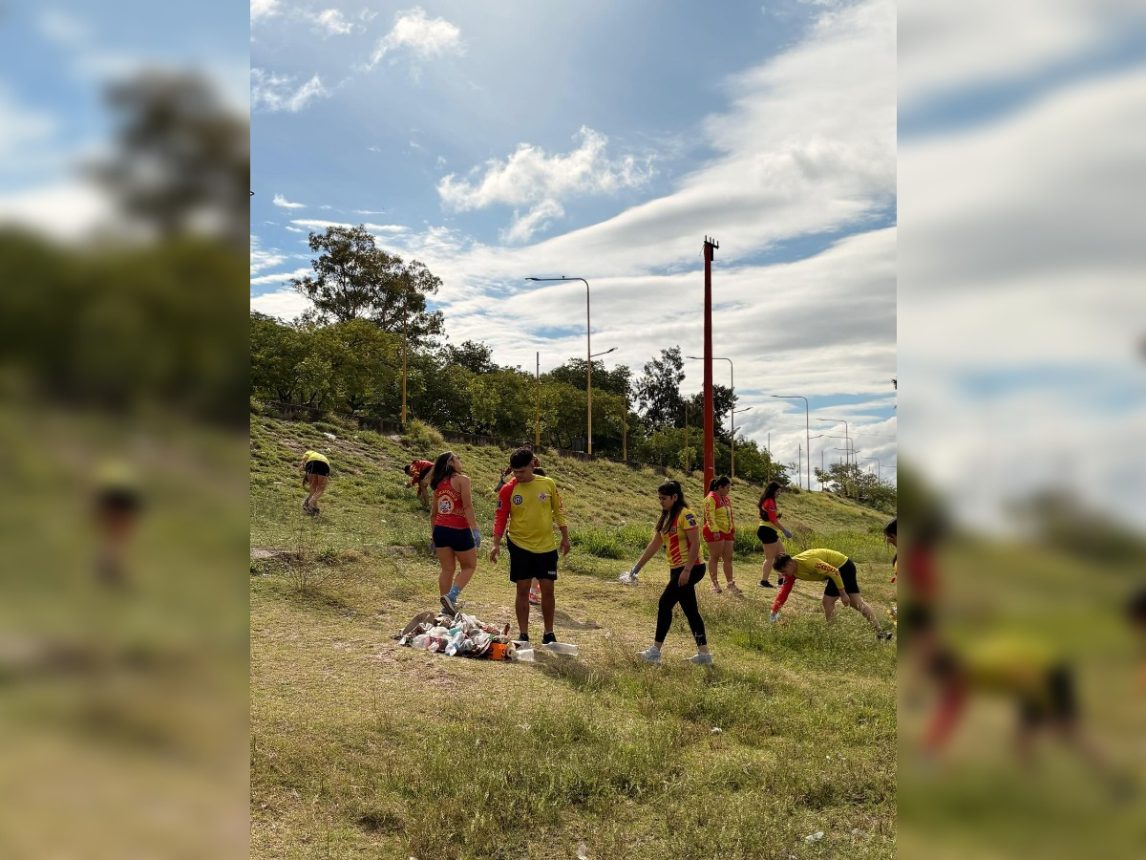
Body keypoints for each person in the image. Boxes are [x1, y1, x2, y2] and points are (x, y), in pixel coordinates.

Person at [624, 480, 714, 666]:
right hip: (677, 570)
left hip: (691, 567)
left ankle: (655, 652)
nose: (661, 501)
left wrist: (687, 570)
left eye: (664, 498)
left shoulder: (685, 514)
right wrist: (635, 569)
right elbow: (654, 545)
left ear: (675, 497)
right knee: (691, 611)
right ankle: (704, 654)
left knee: (664, 603)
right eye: (659, 498)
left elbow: (695, 543)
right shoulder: (666, 518)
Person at [489, 447, 570, 646]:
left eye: (522, 471)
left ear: (532, 465)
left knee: (548, 589)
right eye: (515, 472)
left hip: (546, 546)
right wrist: (496, 544)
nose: (518, 476)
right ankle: (523, 634)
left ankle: (548, 633)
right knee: (522, 589)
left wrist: (565, 537)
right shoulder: (508, 488)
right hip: (519, 544)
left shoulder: (548, 484)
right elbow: (501, 516)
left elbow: (558, 511)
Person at [771, 548, 893, 640]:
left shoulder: (808, 562)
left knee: (827, 602)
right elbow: (784, 591)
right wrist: (774, 611)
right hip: (840, 570)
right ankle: (880, 633)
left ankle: (833, 635)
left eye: (783, 571)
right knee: (857, 603)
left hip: (842, 567)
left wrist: (843, 594)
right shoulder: (791, 573)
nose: (783, 574)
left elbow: (834, 572)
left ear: (790, 563)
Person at [428, 451, 480, 616]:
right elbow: (467, 507)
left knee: (447, 569)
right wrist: (475, 530)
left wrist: (433, 535)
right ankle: (452, 596)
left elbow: (433, 514)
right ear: (451, 462)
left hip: (440, 530)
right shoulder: (463, 480)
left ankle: (445, 608)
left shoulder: (438, 484)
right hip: (459, 530)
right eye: (457, 458)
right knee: (469, 566)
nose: (460, 461)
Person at [92, 459, 143, 588]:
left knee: (112, 538)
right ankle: (108, 569)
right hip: (122, 498)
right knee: (117, 539)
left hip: (115, 497)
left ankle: (106, 568)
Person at [702, 476, 741, 595]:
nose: (729, 490)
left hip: (727, 531)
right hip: (715, 531)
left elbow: (730, 515)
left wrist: (732, 528)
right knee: (715, 557)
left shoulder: (726, 499)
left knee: (728, 558)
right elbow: (709, 516)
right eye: (728, 487)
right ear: (720, 487)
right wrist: (715, 531)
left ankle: (730, 584)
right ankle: (715, 584)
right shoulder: (710, 498)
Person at [757, 481, 792, 588]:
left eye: (780, 491)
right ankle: (764, 581)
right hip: (766, 531)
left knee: (781, 554)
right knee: (770, 558)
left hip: (769, 531)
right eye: (778, 491)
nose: (779, 493)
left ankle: (781, 579)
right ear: (772, 491)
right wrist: (785, 530)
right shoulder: (770, 502)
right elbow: (773, 520)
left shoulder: (770, 500)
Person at [299, 450, 330, 515]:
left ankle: (311, 507)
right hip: (324, 464)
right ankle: (311, 504)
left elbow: (303, 461)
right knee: (320, 489)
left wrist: (301, 466)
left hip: (311, 463)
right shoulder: (315, 454)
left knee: (312, 488)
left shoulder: (309, 452)